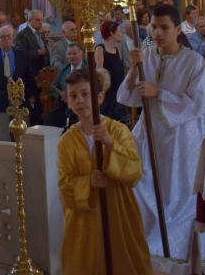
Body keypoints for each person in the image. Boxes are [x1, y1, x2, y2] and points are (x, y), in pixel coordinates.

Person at [118, 4, 205, 259]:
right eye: (154, 27)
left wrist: (159, 93)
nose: (158, 33)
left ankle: (170, 244)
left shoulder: (193, 61)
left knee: (173, 195)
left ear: (178, 29)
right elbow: (126, 97)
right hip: (148, 133)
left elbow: (198, 104)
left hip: (179, 139)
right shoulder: (146, 56)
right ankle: (143, 237)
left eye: (164, 28)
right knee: (139, 182)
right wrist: (134, 68)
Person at [58, 68, 152, 275]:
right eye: (73, 96)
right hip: (85, 222)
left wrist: (110, 143)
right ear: (68, 101)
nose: (80, 101)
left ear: (99, 97)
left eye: (85, 94)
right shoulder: (66, 142)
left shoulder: (118, 131)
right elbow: (65, 186)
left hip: (117, 212)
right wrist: (87, 182)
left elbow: (134, 172)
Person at [0, 26, 36, 141]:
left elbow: (29, 76)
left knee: (23, 131)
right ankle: (5, 152)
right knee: (2, 132)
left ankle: (23, 150)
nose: (6, 39)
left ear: (13, 38)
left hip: (21, 98)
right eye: (2, 37)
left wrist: (32, 95)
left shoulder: (23, 55)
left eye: (8, 36)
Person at [94, 20, 131, 124]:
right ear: (111, 33)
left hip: (118, 92)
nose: (121, 34)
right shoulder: (100, 49)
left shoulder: (116, 49)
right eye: (119, 31)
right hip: (107, 94)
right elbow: (99, 74)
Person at [44, 43, 88, 128]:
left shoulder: (88, 69)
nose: (71, 56)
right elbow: (53, 87)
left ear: (81, 54)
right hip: (65, 107)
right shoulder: (64, 70)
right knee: (48, 120)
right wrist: (60, 94)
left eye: (74, 53)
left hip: (83, 106)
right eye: (69, 54)